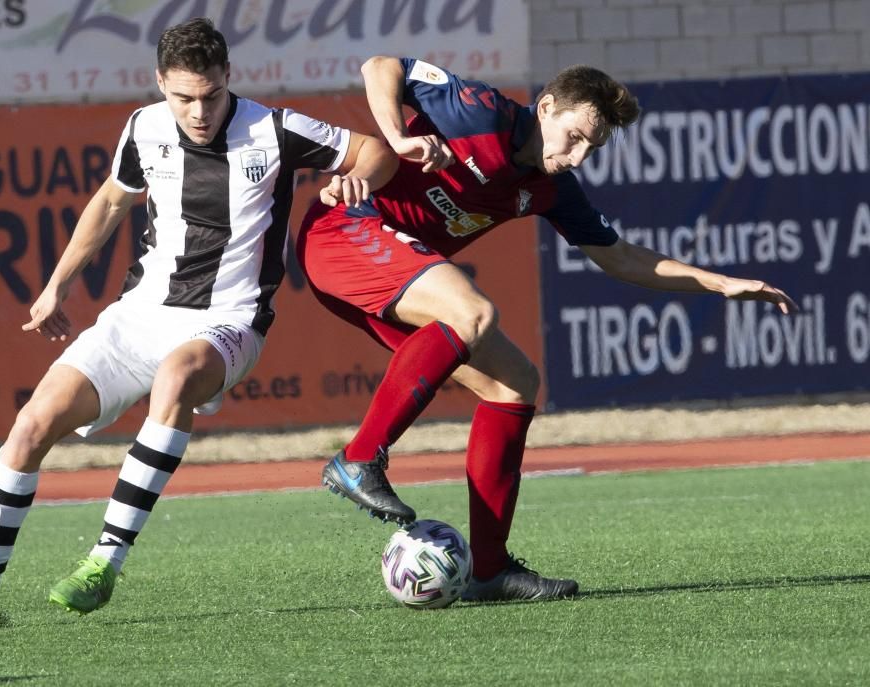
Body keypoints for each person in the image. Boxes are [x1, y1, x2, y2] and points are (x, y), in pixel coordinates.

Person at [0, 18, 396, 633]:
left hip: (230, 320)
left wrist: (356, 177)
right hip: (139, 315)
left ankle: (103, 562)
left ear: (229, 79)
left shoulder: (274, 128)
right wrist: (56, 285)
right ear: (159, 83)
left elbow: (373, 151)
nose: (198, 112)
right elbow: (112, 201)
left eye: (211, 95)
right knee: (31, 425)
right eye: (183, 97)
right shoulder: (143, 127)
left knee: (176, 376)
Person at [297, 56, 798, 603]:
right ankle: (359, 457)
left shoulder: (552, 188)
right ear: (546, 108)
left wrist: (720, 284)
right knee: (472, 313)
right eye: (575, 136)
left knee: (516, 382)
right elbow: (381, 65)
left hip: (388, 269)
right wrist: (396, 136)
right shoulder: (479, 112)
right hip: (344, 232)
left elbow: (621, 258)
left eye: (592, 148)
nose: (577, 155)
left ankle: (487, 570)